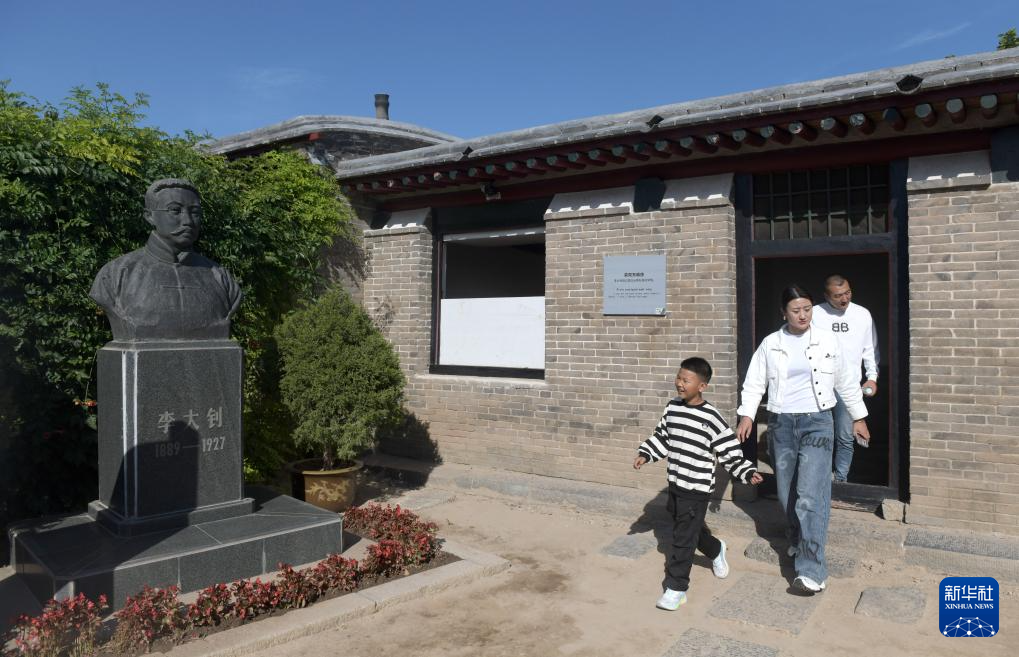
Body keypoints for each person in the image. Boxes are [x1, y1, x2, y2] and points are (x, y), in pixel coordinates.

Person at [735, 285, 869, 594]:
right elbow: (754, 382)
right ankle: (796, 538)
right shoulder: (771, 343)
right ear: (784, 313)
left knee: (810, 495)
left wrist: (858, 416)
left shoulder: (826, 340)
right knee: (787, 493)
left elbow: (846, 380)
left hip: (818, 422)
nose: (803, 315)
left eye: (807, 309)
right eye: (796, 310)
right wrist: (747, 415)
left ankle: (811, 570)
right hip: (782, 424)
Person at [633, 357, 763, 610]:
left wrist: (746, 472)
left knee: (682, 539)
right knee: (687, 528)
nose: (680, 384)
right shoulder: (672, 407)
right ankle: (715, 549)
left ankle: (676, 588)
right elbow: (663, 437)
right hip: (676, 483)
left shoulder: (711, 417)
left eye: (686, 380)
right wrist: (646, 453)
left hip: (697, 488)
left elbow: (728, 450)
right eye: (679, 377)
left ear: (702, 386)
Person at [90, 179, 242, 341]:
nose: (188, 221)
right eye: (175, 210)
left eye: (195, 212)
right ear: (150, 216)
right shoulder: (116, 274)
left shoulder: (220, 276)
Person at [812, 274, 879, 483]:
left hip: (849, 386)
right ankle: (818, 478)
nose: (844, 299)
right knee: (819, 435)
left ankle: (840, 480)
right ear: (826, 296)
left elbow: (870, 348)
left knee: (845, 436)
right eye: (838, 295)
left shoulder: (862, 314)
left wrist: (872, 376)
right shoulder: (815, 313)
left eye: (848, 293)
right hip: (819, 384)